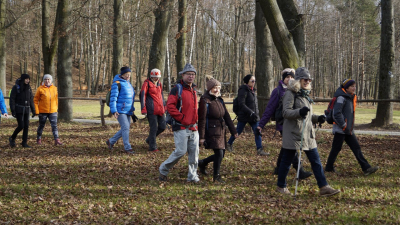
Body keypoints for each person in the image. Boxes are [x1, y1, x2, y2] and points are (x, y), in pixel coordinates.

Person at [277, 67, 340, 196]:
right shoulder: (290, 93)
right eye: (305, 79)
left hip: (308, 134)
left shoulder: (305, 95)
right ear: (299, 80)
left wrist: (318, 118)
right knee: (287, 161)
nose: (307, 81)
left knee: (316, 161)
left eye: (309, 79)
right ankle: (281, 186)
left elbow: (308, 115)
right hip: (294, 134)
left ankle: (324, 187)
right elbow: (286, 112)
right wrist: (299, 112)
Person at [257, 68, 312, 180]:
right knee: (292, 148)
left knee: (286, 148)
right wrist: (261, 125)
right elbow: (269, 109)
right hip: (284, 124)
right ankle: (299, 171)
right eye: (287, 77)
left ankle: (278, 168)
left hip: (295, 124)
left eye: (292, 77)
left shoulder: (298, 90)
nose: (290, 79)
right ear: (283, 79)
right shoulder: (278, 91)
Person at [325, 79, 379, 176]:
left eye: (355, 86)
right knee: (336, 148)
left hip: (348, 129)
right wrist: (343, 125)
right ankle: (329, 168)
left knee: (356, 148)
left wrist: (347, 127)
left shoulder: (349, 97)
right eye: (352, 86)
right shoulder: (341, 97)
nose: (354, 88)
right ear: (346, 88)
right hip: (341, 129)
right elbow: (336, 113)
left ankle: (366, 168)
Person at [159, 63, 200, 183]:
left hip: (193, 127)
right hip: (181, 127)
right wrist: (182, 117)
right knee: (180, 151)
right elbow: (170, 106)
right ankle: (163, 169)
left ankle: (192, 176)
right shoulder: (177, 89)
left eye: (193, 74)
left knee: (194, 154)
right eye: (188, 74)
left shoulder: (194, 90)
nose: (191, 76)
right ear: (183, 75)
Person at [197, 78, 238, 183]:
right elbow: (202, 119)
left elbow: (227, 116)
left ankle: (202, 162)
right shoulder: (205, 100)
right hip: (211, 131)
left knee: (221, 153)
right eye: (215, 88)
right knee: (219, 153)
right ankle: (217, 176)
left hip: (221, 130)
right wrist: (201, 137)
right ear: (210, 88)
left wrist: (233, 130)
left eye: (219, 87)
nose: (217, 90)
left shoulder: (219, 99)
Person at [227, 74, 269, 156]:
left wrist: (255, 113)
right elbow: (241, 104)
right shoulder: (243, 90)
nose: (254, 83)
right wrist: (251, 112)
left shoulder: (253, 90)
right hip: (244, 116)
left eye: (255, 81)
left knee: (257, 131)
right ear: (247, 82)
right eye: (252, 81)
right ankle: (229, 144)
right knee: (238, 131)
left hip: (254, 116)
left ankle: (260, 149)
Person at [106, 66, 137, 154]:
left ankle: (111, 141)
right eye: (127, 74)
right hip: (120, 110)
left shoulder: (128, 84)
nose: (128, 76)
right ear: (122, 74)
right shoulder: (117, 83)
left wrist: (132, 109)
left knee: (125, 128)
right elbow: (113, 98)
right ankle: (127, 147)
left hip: (128, 110)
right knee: (126, 127)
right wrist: (114, 110)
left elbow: (131, 98)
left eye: (129, 74)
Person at [140, 68, 166, 152]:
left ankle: (149, 139)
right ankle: (152, 147)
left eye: (158, 77)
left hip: (160, 110)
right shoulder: (146, 83)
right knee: (153, 128)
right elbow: (142, 96)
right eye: (155, 77)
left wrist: (164, 106)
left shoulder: (159, 83)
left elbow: (161, 96)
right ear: (152, 76)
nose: (157, 78)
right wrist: (143, 109)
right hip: (151, 110)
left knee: (163, 127)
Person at [34, 74, 62, 145]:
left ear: (51, 80)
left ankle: (57, 139)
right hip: (43, 111)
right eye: (45, 79)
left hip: (53, 111)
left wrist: (56, 108)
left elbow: (56, 99)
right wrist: (36, 111)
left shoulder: (54, 88)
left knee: (54, 126)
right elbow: (35, 100)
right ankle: (39, 139)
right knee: (41, 125)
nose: (47, 81)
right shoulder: (40, 89)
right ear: (43, 80)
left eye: (48, 79)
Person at [9, 74, 36, 148]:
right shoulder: (16, 87)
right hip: (19, 109)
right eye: (26, 79)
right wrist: (13, 110)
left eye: (28, 79)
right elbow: (12, 99)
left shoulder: (29, 88)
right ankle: (12, 138)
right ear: (23, 79)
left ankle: (24, 142)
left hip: (27, 110)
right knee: (21, 126)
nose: (28, 80)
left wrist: (33, 110)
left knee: (26, 126)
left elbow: (31, 100)